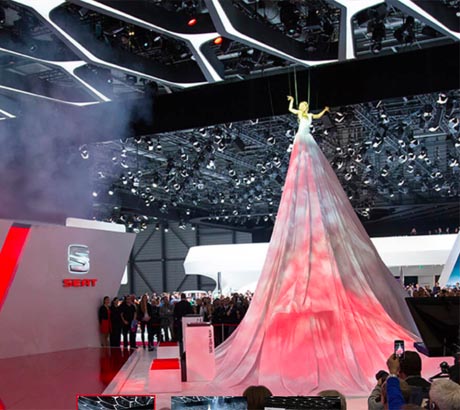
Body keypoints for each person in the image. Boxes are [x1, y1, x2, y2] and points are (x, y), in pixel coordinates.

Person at [212, 96, 420, 396]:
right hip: (303, 152)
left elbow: (316, 112)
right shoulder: (302, 118)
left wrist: (314, 111)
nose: (303, 109)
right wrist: (291, 104)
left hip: (305, 151)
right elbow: (298, 109)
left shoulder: (308, 120)